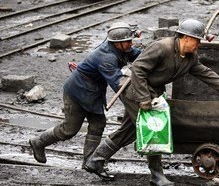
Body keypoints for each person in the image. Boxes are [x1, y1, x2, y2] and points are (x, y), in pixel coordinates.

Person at [84, 19, 219, 186]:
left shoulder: (190, 57)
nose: (198, 44)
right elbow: (139, 69)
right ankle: (157, 176)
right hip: (135, 90)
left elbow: (205, 73)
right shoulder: (162, 47)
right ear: (186, 38)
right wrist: (144, 99)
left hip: (152, 92)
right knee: (153, 128)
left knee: (129, 130)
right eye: (197, 40)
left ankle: (95, 160)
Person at [29, 22, 142, 168]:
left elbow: (137, 55)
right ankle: (38, 142)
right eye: (127, 42)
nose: (130, 44)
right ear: (117, 43)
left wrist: (151, 55)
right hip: (77, 91)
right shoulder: (107, 58)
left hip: (92, 91)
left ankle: (89, 162)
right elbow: (118, 84)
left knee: (98, 124)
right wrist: (135, 100)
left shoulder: (121, 49)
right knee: (69, 130)